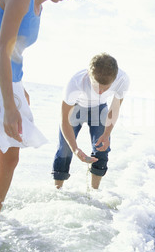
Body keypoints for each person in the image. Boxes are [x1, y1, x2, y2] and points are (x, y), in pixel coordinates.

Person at [0, 0, 93, 228]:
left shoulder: (39, 7)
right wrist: (10, 106)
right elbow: (2, 49)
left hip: (11, 84)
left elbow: (16, 55)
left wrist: (21, 90)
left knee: (11, 158)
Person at [52, 53, 129, 190]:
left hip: (99, 109)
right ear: (89, 75)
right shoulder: (75, 82)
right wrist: (75, 149)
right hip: (75, 108)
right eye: (97, 86)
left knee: (102, 149)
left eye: (106, 88)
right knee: (65, 149)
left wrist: (106, 134)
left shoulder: (122, 79)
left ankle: (94, 193)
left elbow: (114, 110)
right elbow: (64, 119)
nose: (101, 92)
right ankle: (57, 192)